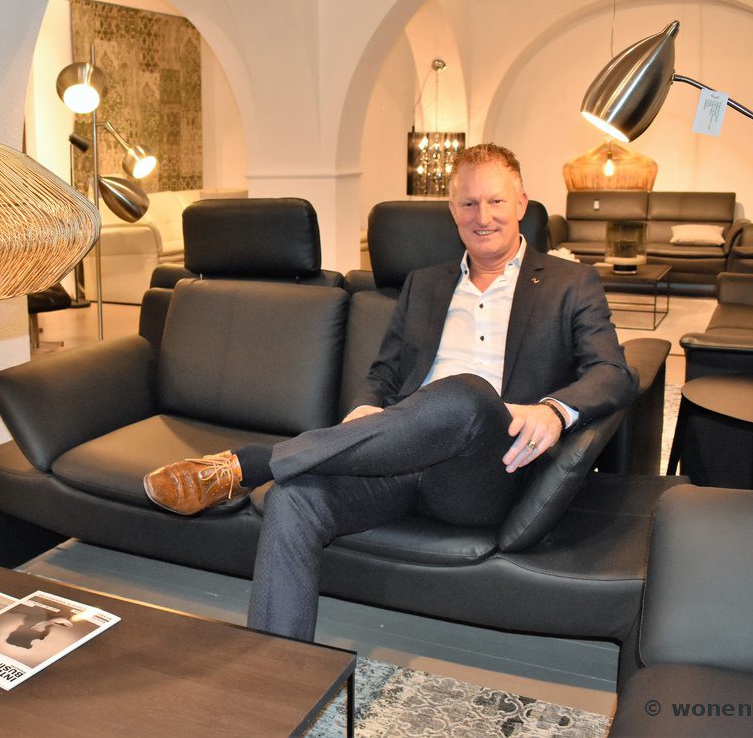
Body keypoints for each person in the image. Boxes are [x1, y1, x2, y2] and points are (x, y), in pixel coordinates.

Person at [142, 143, 637, 641]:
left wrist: (554, 410)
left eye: (496, 202)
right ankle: (278, 665)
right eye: (468, 203)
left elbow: (612, 371)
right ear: (453, 211)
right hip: (395, 458)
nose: (482, 216)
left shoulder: (571, 282)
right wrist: (365, 408)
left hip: (483, 471)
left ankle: (252, 465)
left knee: (467, 393)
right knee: (294, 498)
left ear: (522, 205)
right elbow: (383, 373)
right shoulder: (423, 284)